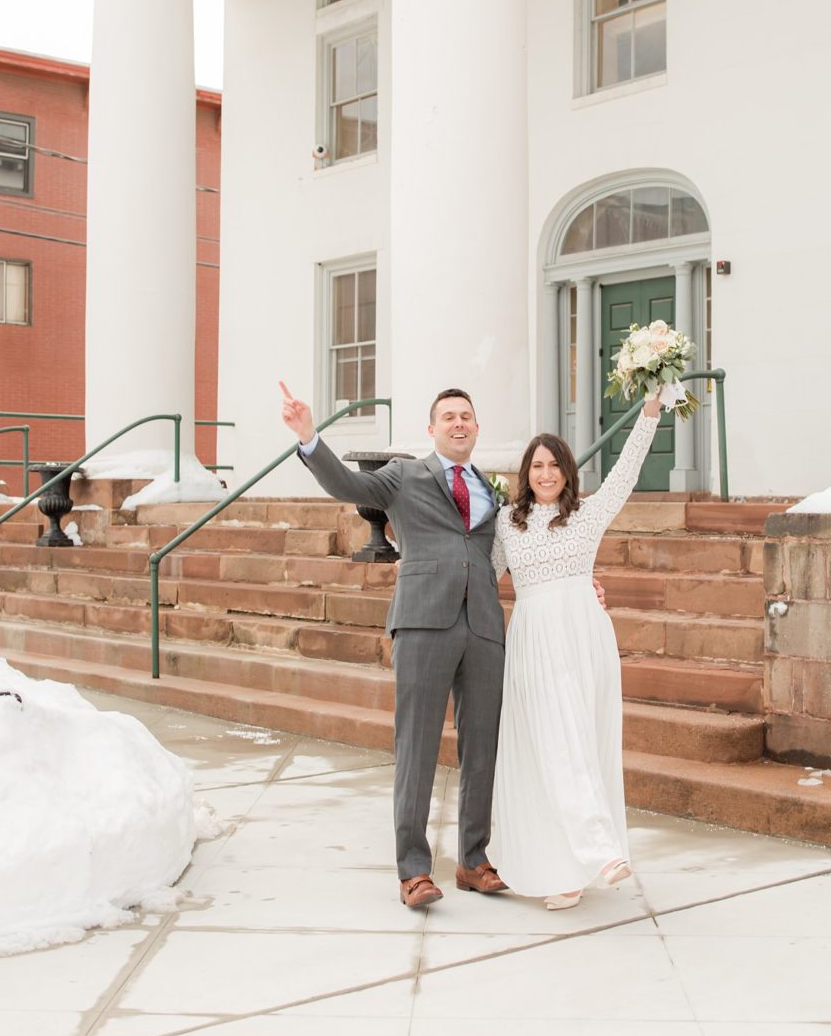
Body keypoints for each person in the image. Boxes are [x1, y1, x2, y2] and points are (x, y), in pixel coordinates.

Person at [279, 381, 508, 909]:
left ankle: (474, 860)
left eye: (466, 416)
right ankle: (413, 870)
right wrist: (309, 435)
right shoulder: (405, 475)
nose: (458, 423)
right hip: (424, 622)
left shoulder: (489, 489)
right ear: (432, 429)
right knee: (417, 746)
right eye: (448, 416)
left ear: (476, 428)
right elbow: (345, 487)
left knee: (482, 748)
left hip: (484, 626)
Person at [489, 395, 663, 910]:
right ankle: (599, 851)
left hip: (585, 635)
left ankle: (567, 870)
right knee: (552, 741)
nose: (545, 474)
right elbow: (478, 571)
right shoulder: (507, 524)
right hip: (535, 637)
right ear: (526, 474)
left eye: (554, 465)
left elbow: (627, 473)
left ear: (567, 472)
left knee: (581, 740)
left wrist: (650, 413)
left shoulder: (587, 515)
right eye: (536, 466)